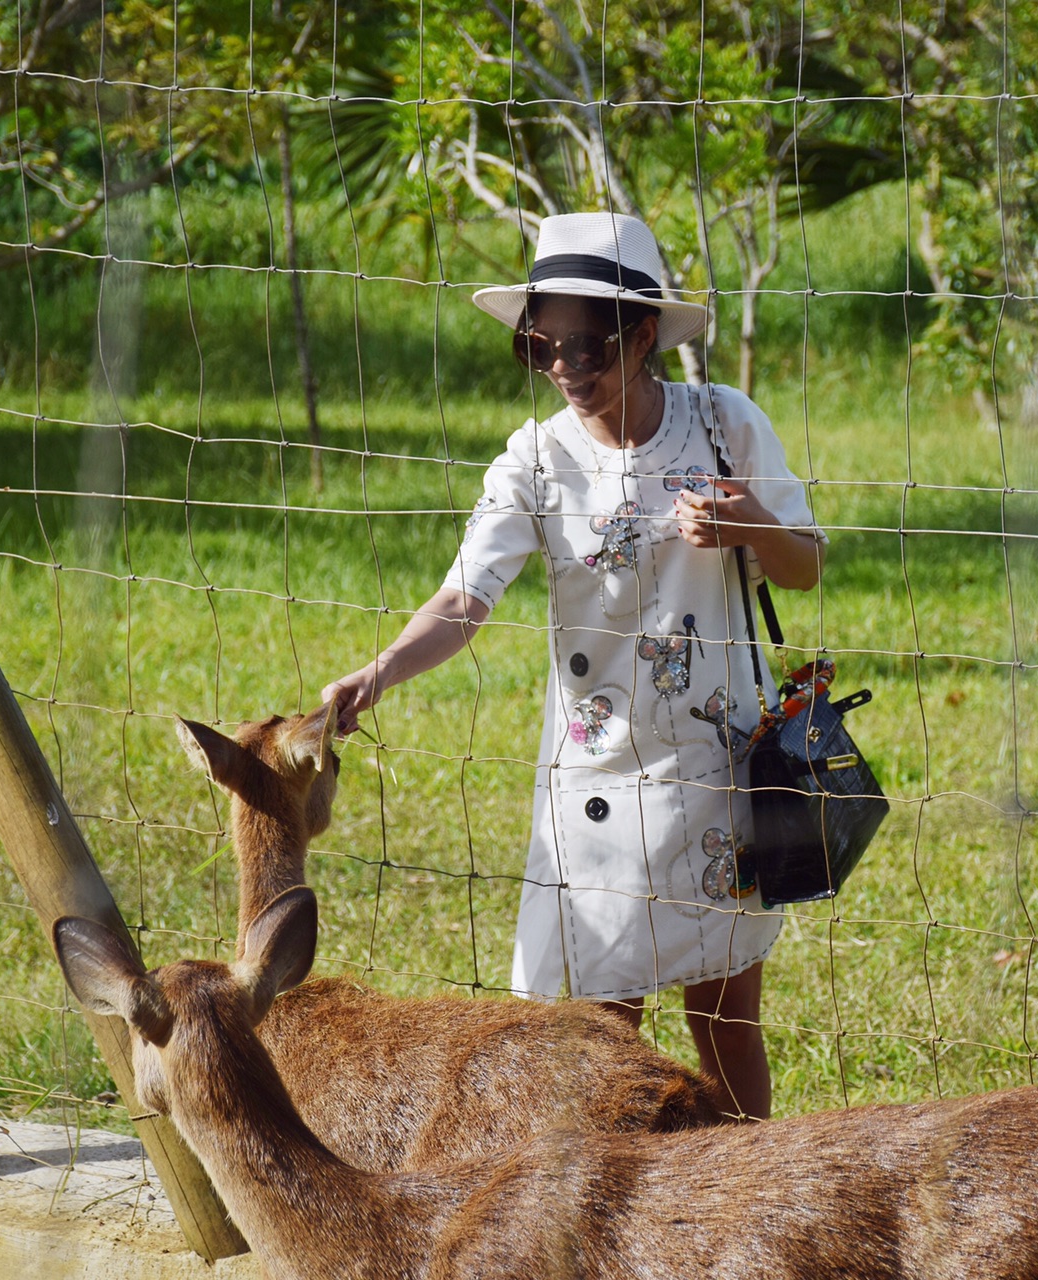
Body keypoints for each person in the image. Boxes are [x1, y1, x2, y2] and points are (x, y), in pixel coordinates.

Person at [322, 213, 825, 1120]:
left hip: (717, 769)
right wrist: (381, 669)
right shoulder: (538, 458)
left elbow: (806, 567)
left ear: (640, 337)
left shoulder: (724, 426)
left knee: (725, 1016)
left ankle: (755, 1199)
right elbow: (465, 598)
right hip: (594, 776)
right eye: (539, 345)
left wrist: (749, 521)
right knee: (597, 1031)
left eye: (584, 346)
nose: (563, 367)